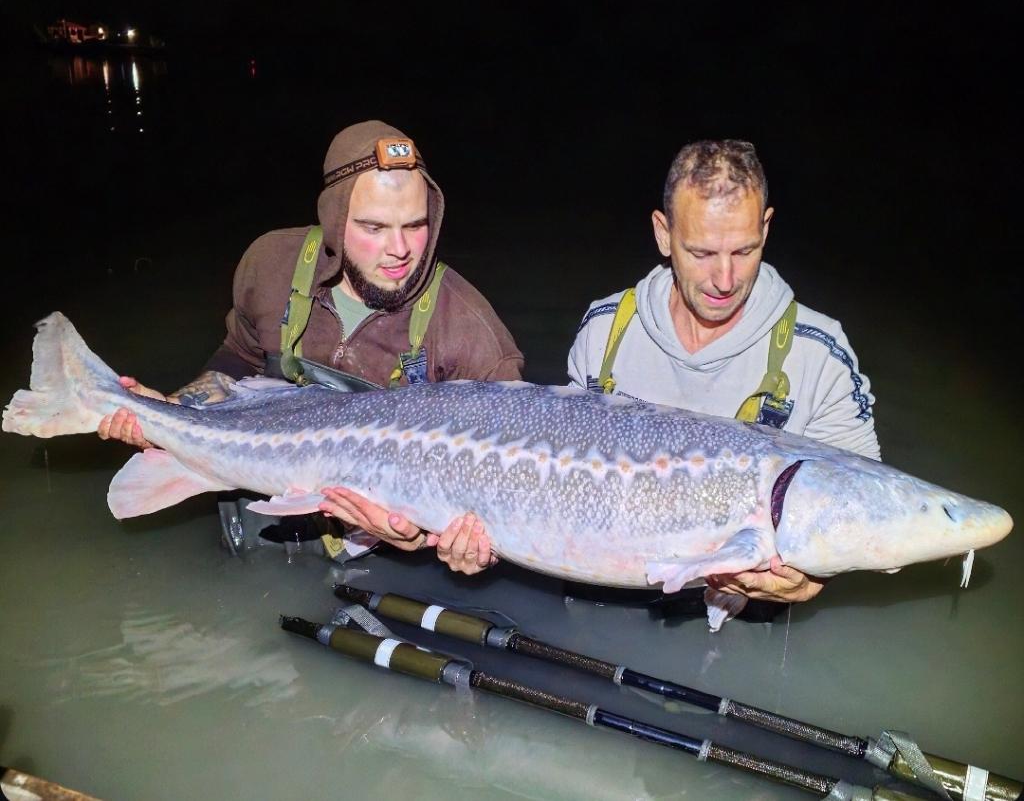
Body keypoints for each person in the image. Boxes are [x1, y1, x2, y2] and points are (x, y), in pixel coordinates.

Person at [99, 120, 520, 574]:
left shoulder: (470, 331)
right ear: (336, 220)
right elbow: (238, 359)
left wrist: (426, 539)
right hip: (252, 506)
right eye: (373, 227)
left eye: (415, 226)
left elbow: (504, 498)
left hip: (374, 558)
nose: (399, 249)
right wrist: (169, 409)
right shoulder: (271, 264)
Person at [567, 139, 881, 607]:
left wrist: (811, 584)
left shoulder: (819, 354)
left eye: (744, 250)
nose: (725, 279)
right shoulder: (606, 331)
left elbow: (862, 504)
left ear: (766, 228)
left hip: (746, 610)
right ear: (662, 233)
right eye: (701, 253)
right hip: (608, 593)